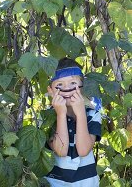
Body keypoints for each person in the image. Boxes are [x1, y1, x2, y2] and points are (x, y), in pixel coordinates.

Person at [45, 57, 102, 187]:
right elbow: (61, 150)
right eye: (59, 85)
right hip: (55, 183)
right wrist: (60, 113)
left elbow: (83, 150)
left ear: (82, 86)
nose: (67, 89)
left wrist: (81, 112)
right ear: (51, 91)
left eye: (73, 83)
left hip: (86, 183)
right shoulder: (47, 117)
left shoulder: (92, 114)